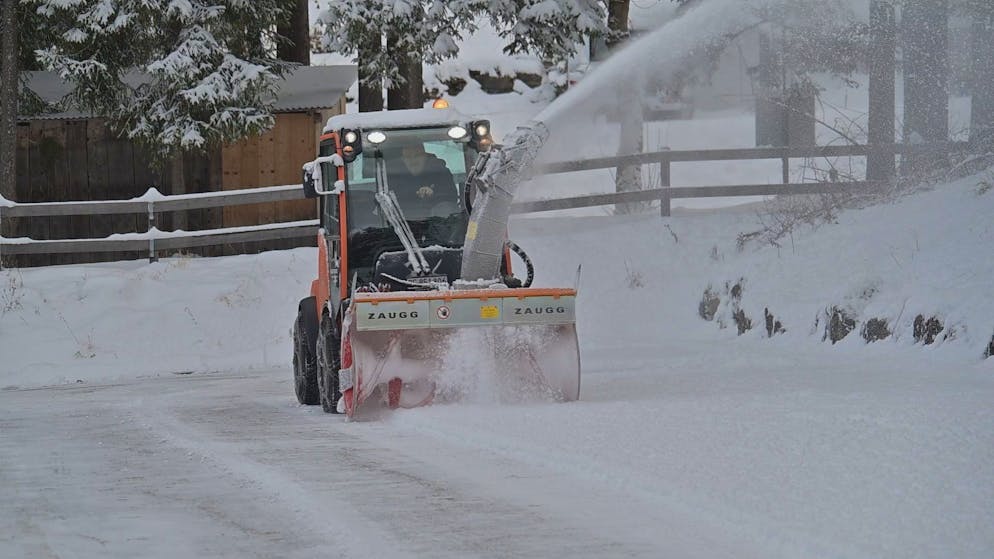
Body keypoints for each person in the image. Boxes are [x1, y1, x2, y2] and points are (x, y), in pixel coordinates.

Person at [385, 143, 458, 215]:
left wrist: (433, 194)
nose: (413, 160)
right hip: (404, 223)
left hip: (437, 223)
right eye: (408, 156)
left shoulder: (441, 172)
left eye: (417, 156)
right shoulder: (393, 176)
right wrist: (414, 193)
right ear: (402, 159)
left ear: (425, 156)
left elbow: (451, 198)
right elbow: (389, 203)